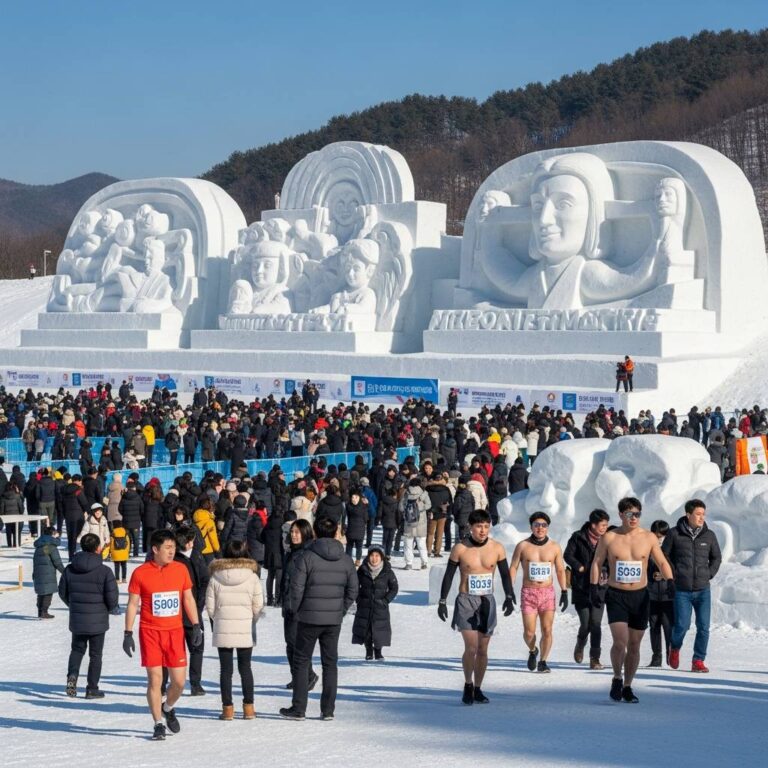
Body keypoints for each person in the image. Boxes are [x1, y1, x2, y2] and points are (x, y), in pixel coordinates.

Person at [590, 497, 673, 703]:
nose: (634, 518)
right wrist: (593, 587)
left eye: (637, 514)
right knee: (620, 642)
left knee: (634, 645)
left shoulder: (649, 537)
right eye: (629, 514)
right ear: (621, 515)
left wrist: (670, 580)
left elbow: (661, 561)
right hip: (616, 595)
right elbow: (597, 562)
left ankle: (627, 685)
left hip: (640, 596)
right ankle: (617, 677)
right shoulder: (609, 537)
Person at [123, 529, 203, 740]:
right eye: (167, 548)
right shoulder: (140, 573)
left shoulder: (180, 569)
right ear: (155, 549)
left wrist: (196, 625)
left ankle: (167, 707)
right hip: (150, 632)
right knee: (155, 680)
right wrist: (127, 632)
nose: (171, 551)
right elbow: (132, 604)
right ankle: (158, 723)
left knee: (179, 682)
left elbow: (188, 599)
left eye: (173, 548)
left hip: (174, 633)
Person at [280, 516, 358, 721]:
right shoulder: (346, 559)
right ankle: (328, 710)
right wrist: (340, 609)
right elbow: (353, 589)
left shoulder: (307, 556)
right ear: (335, 533)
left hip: (308, 617)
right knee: (330, 664)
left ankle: (299, 708)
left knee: (301, 660)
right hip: (333, 620)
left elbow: (296, 588)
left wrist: (297, 610)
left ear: (315, 532)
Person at [437, 509, 515, 704]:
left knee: (483, 649)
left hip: (487, 601)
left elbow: (505, 574)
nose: (483, 530)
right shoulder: (460, 549)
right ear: (471, 527)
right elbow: (448, 575)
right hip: (466, 600)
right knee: (471, 647)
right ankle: (468, 684)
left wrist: (509, 595)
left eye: (486, 526)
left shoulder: (497, 548)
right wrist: (442, 600)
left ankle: (478, 688)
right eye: (479, 526)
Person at [206, 539, 263, 720]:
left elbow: (210, 606)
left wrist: (219, 620)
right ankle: (249, 708)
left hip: (223, 626)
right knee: (245, 668)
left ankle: (227, 709)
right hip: (245, 627)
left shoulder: (216, 576)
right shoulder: (252, 577)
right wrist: (251, 618)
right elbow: (258, 605)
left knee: (226, 670)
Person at [662, 499, 722, 673]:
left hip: (703, 589)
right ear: (688, 515)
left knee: (704, 627)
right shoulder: (674, 534)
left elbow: (716, 557)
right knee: (682, 625)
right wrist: (673, 574)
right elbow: (664, 556)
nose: (701, 517)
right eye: (698, 514)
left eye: (703, 514)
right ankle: (675, 647)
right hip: (682, 589)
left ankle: (698, 660)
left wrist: (709, 573)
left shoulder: (709, 535)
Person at [58, 532, 119, 698]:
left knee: (77, 650)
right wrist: (107, 608)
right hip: (98, 621)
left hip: (78, 619)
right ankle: (92, 688)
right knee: (95, 655)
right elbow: (112, 598)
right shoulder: (105, 571)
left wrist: (73, 605)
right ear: (98, 548)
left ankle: (72, 676)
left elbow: (62, 592)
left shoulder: (70, 569)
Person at [509, 512, 569, 673]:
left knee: (547, 629)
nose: (540, 528)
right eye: (537, 525)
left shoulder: (555, 547)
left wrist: (564, 591)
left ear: (547, 528)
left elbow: (560, 569)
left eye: (543, 525)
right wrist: (509, 591)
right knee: (529, 632)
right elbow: (513, 567)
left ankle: (543, 660)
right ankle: (532, 650)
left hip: (547, 593)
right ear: (531, 527)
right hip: (529, 593)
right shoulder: (522, 546)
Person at [163, 527, 210, 697]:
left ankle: (195, 684)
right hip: (174, 612)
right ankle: (163, 683)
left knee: (197, 647)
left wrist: (199, 604)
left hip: (194, 611)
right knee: (170, 650)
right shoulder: (172, 560)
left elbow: (205, 579)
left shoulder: (197, 555)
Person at [564, 509, 610, 669]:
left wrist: (606, 570)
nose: (605, 528)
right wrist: (579, 567)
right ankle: (580, 643)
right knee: (586, 624)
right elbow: (567, 555)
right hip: (581, 587)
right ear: (593, 525)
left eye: (606, 525)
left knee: (596, 623)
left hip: (600, 588)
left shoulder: (608, 539)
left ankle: (595, 658)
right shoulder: (578, 537)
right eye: (602, 525)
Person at [282, 519, 319, 691]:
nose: (294, 535)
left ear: (305, 533)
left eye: (297, 532)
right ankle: (297, 676)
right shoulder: (291, 551)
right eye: (292, 532)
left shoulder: (307, 553)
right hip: (289, 605)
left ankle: (308, 676)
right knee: (291, 644)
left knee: (297, 645)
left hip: (301, 607)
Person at [351, 545, 399, 660]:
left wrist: (386, 600)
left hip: (380, 606)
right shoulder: (362, 570)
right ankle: (368, 650)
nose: (374, 558)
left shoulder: (387, 571)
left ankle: (378, 651)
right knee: (366, 629)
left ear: (381, 557)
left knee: (379, 629)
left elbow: (394, 588)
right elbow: (355, 586)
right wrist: (359, 599)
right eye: (372, 555)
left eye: (377, 556)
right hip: (365, 605)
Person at [648, 520, 674, 667]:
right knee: (653, 625)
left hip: (667, 594)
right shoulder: (647, 548)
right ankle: (656, 657)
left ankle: (671, 657)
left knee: (668, 625)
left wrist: (666, 576)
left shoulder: (671, 548)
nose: (659, 539)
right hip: (651, 594)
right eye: (656, 535)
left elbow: (676, 568)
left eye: (662, 535)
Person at [33, 525, 65, 619]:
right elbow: (57, 562)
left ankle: (40, 611)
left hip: (39, 573)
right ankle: (44, 612)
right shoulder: (50, 546)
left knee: (41, 592)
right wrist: (64, 571)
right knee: (48, 593)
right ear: (52, 534)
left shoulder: (41, 545)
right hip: (47, 574)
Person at [399, 477, 430, 571]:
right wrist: (419, 508)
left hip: (409, 523)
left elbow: (400, 507)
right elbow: (429, 505)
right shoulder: (424, 493)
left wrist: (407, 511)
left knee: (408, 544)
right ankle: (424, 563)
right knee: (421, 544)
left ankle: (409, 563)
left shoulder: (406, 493)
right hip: (421, 523)